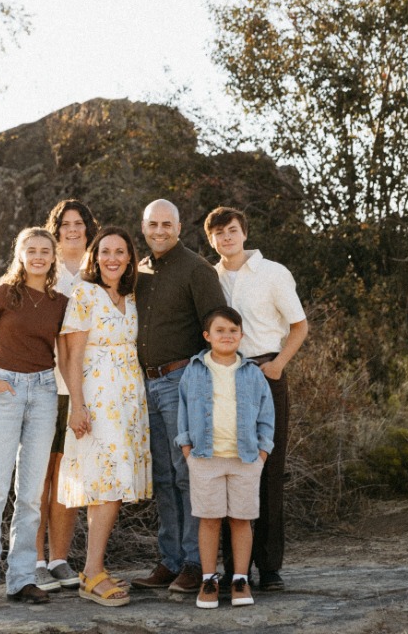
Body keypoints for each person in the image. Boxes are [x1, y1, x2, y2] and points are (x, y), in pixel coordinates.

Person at [204, 206, 308, 592]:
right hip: (225, 376)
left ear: (244, 232)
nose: (226, 238)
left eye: (231, 230)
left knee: (268, 468)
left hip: (266, 372)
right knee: (232, 467)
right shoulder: (209, 276)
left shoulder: (273, 273)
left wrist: (279, 364)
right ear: (211, 240)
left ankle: (270, 567)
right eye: (218, 234)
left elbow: (299, 324)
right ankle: (236, 568)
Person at [0, 228, 68, 607]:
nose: (39, 257)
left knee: (30, 495)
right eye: (32, 251)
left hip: (44, 393)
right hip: (5, 390)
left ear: (53, 257)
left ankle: (23, 578)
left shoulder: (60, 301)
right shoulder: (5, 292)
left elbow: (66, 354)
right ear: (20, 254)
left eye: (45, 251)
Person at [132, 199, 226, 594]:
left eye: (166, 224)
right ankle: (169, 560)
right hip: (145, 385)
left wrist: (204, 383)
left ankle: (195, 562)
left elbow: (220, 327)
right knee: (164, 475)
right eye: (152, 224)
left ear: (179, 226)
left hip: (182, 381)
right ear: (144, 227)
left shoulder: (197, 270)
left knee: (188, 474)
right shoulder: (140, 272)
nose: (159, 231)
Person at [59, 226, 152, 607]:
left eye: (120, 252)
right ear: (95, 257)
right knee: (105, 483)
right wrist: (77, 405)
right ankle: (92, 573)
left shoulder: (129, 296)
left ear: (130, 258)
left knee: (114, 481)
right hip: (98, 399)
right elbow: (71, 357)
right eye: (105, 251)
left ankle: (92, 569)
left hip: (129, 399)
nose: (112, 258)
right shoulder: (84, 293)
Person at [176, 306, 275, 609]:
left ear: (241, 335)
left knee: (241, 520)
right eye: (220, 330)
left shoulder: (252, 374)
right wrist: (188, 452)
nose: (227, 335)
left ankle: (240, 580)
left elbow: (266, 414)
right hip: (206, 459)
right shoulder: (194, 371)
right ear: (207, 336)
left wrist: (261, 453)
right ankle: (209, 579)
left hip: (244, 459)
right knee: (209, 520)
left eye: (233, 330)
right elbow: (182, 413)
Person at [35, 199, 99, 592]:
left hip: (88, 389)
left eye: (79, 223)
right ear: (55, 230)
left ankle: (59, 558)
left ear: (88, 228)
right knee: (39, 477)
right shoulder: (45, 269)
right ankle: (35, 560)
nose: (72, 230)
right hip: (45, 386)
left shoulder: (99, 269)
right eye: (65, 224)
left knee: (69, 479)